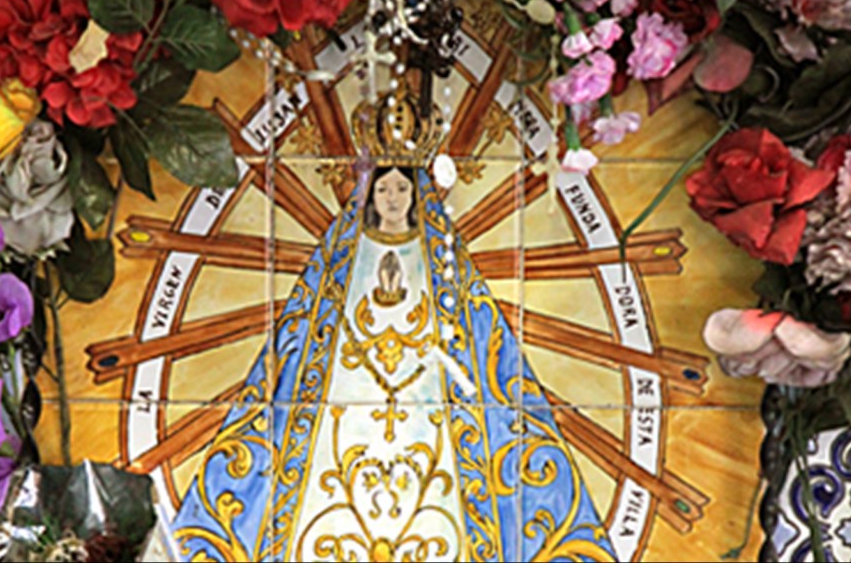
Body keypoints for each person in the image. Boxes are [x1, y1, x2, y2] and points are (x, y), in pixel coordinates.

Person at [172, 166, 616, 562]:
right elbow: (304, 343)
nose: (392, 198)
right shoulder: (340, 257)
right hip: (343, 410)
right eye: (383, 188)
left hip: (431, 422)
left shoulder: (444, 264)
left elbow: (476, 349)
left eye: (402, 188)